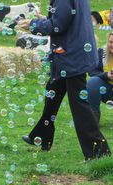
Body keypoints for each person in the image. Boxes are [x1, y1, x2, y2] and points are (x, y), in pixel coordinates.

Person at [18, 0, 111, 160]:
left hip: (71, 56)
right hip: (70, 54)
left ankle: (99, 153)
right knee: (52, 95)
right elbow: (66, 19)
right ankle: (41, 137)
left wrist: (34, 25)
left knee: (80, 106)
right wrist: (43, 20)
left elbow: (58, 25)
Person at [87, 32, 113, 122]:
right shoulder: (102, 52)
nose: (112, 45)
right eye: (110, 42)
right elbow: (92, 71)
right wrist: (106, 75)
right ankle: (93, 118)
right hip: (107, 91)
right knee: (92, 82)